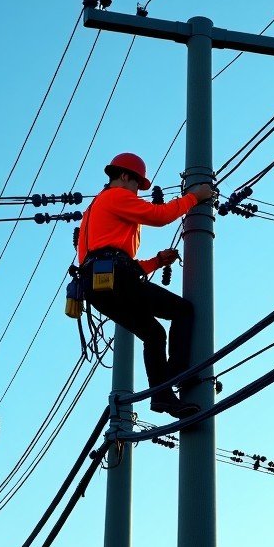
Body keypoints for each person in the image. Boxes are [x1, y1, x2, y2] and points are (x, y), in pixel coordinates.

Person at [76, 152, 214, 418]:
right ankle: (179, 374)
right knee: (182, 310)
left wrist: (157, 261)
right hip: (117, 278)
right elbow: (160, 216)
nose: (137, 192)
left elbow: (111, 260)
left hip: (98, 287)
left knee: (153, 334)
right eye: (137, 185)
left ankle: (162, 397)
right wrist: (195, 196)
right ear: (125, 176)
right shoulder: (117, 197)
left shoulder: (95, 208)